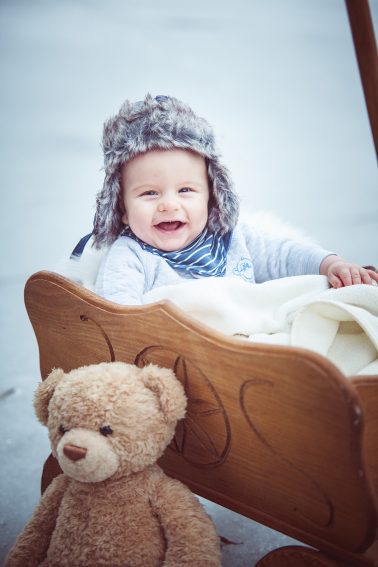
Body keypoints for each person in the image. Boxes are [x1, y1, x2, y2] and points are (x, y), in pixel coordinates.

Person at [90, 94, 378, 305]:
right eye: (149, 193)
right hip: (179, 355)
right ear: (122, 208)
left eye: (186, 190)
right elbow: (119, 316)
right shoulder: (131, 257)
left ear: (212, 196)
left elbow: (285, 255)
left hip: (247, 349)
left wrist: (331, 265)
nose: (168, 204)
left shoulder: (232, 239)